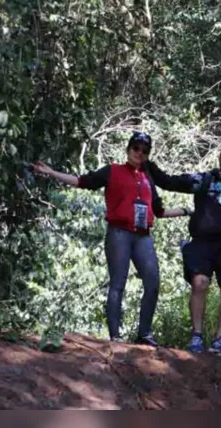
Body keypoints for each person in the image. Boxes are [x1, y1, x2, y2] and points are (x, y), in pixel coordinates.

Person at [32, 132, 190, 346]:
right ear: (128, 149)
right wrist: (51, 172)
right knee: (118, 283)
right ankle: (115, 336)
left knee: (152, 282)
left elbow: (159, 211)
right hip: (119, 233)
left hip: (143, 235)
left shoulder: (148, 178)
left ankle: (144, 334)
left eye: (145, 151)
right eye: (136, 148)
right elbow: (82, 181)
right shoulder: (113, 171)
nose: (139, 153)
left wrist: (186, 211)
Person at [144, 142, 221, 354]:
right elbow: (168, 181)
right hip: (202, 241)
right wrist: (146, 161)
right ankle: (197, 336)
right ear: (219, 158)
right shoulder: (205, 179)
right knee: (199, 283)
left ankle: (220, 339)